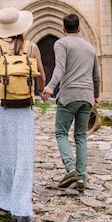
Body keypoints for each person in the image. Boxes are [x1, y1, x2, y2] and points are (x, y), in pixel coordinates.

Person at [0, 7, 46, 222]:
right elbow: (40, 76)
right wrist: (42, 90)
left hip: (2, 105)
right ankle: (22, 212)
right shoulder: (32, 47)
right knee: (22, 159)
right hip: (23, 110)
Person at [42, 13, 100, 192]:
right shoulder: (90, 48)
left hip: (69, 95)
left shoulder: (61, 43)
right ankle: (81, 178)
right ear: (79, 28)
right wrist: (95, 96)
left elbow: (60, 68)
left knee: (61, 133)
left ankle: (71, 168)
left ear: (63, 29)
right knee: (81, 136)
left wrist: (50, 87)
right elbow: (96, 76)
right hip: (87, 96)